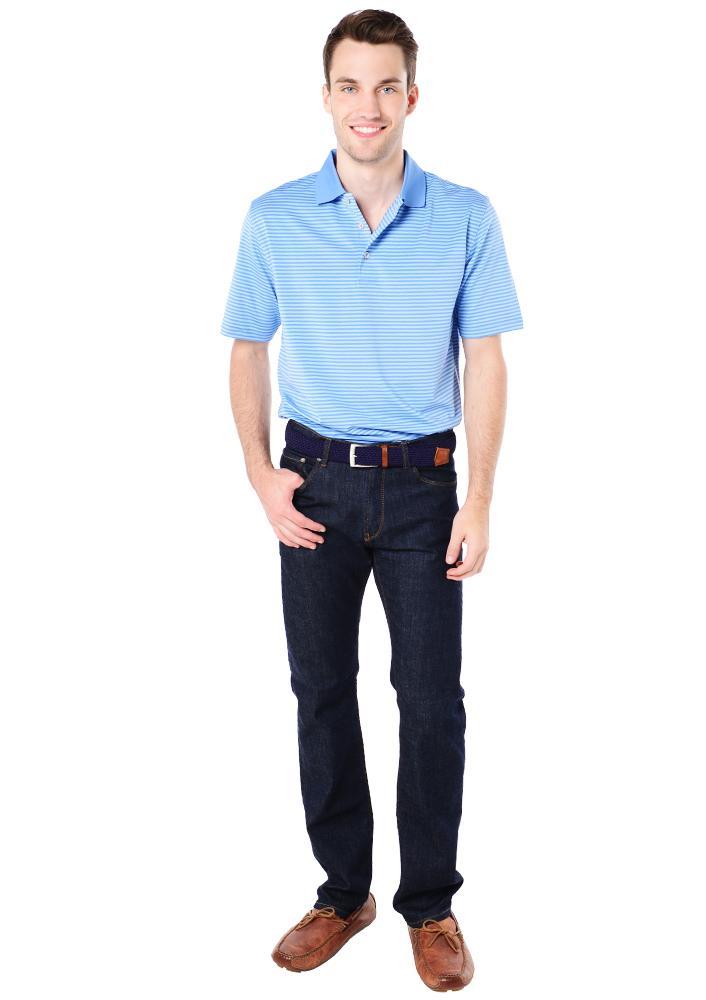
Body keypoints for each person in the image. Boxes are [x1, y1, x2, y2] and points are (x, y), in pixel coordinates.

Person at [220, 9, 523, 991]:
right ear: (326, 97)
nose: (368, 105)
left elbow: (484, 359)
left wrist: (481, 497)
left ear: (412, 97)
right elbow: (248, 348)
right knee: (320, 691)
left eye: (386, 85)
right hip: (313, 482)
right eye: (350, 85)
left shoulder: (466, 215)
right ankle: (342, 892)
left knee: (432, 703)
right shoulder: (273, 217)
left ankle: (429, 905)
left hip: (426, 488)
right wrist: (260, 473)